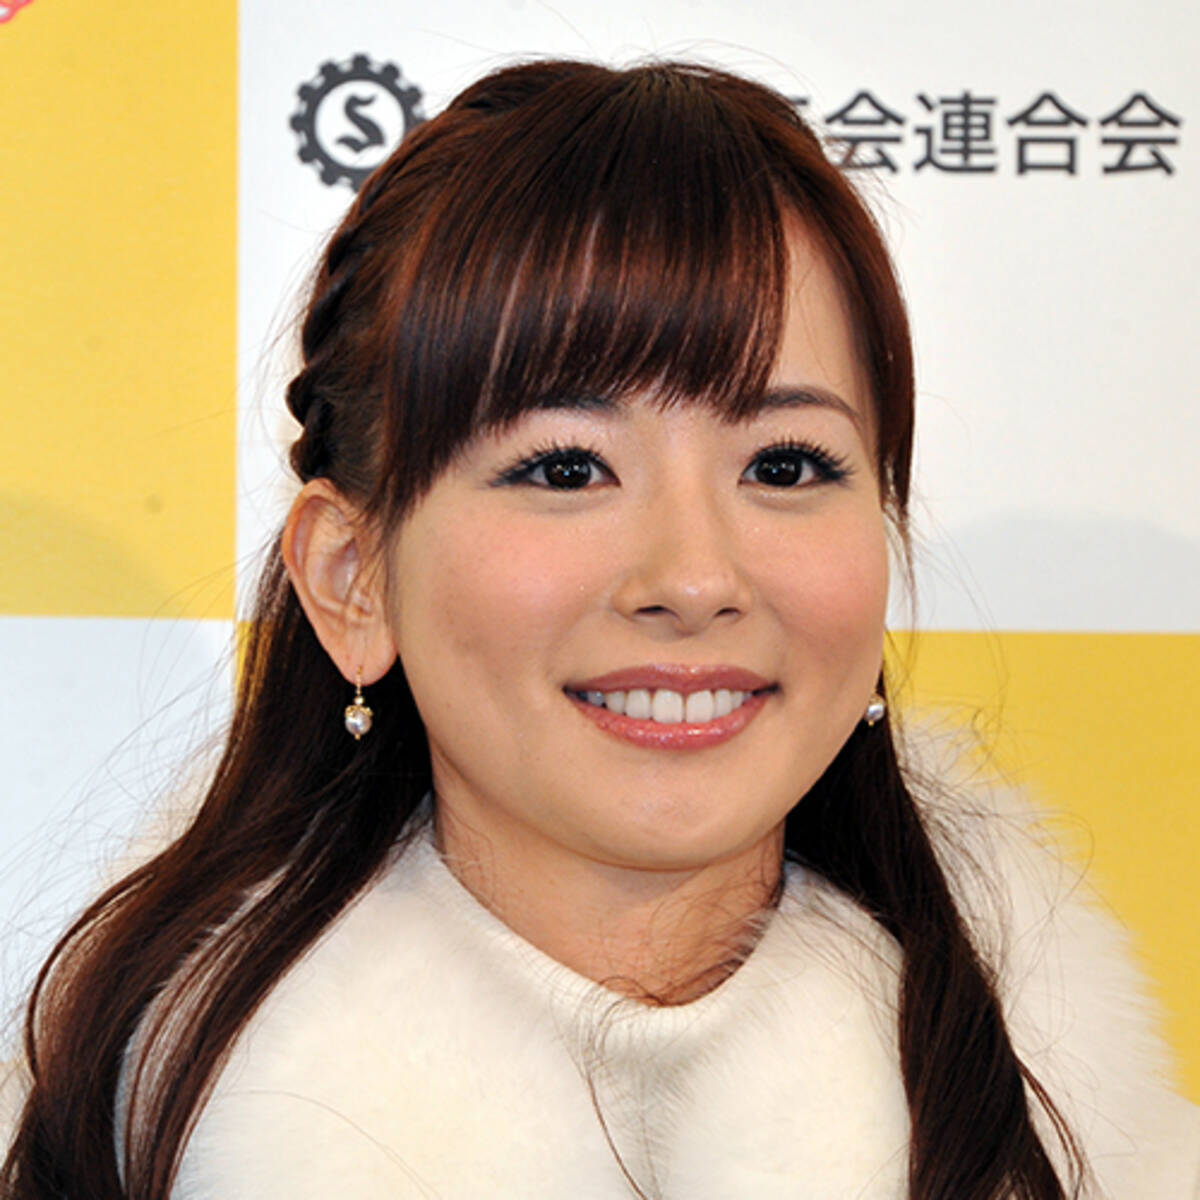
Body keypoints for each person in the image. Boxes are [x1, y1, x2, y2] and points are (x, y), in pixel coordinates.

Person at [2, 58, 1197, 1200]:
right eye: (566, 467)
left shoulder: (1094, 1135)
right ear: (353, 579)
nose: (694, 576)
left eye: (786, 463)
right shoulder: (131, 1146)